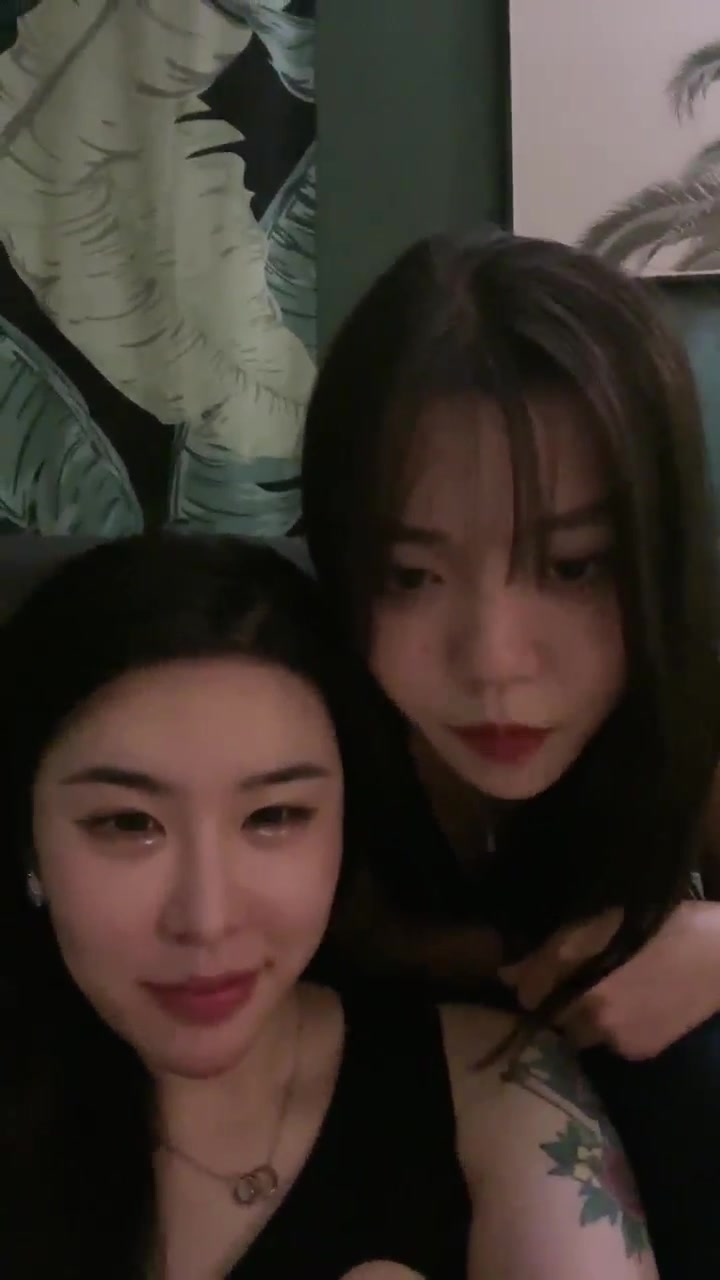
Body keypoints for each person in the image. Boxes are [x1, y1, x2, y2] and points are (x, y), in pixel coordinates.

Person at [0, 533, 656, 1280]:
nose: (207, 919)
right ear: (27, 841)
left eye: (274, 816)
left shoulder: (491, 1085)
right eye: (128, 823)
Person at [301, 231, 720, 1278]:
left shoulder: (696, 696)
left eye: (573, 566)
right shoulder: (287, 718)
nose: (492, 660)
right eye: (410, 575)